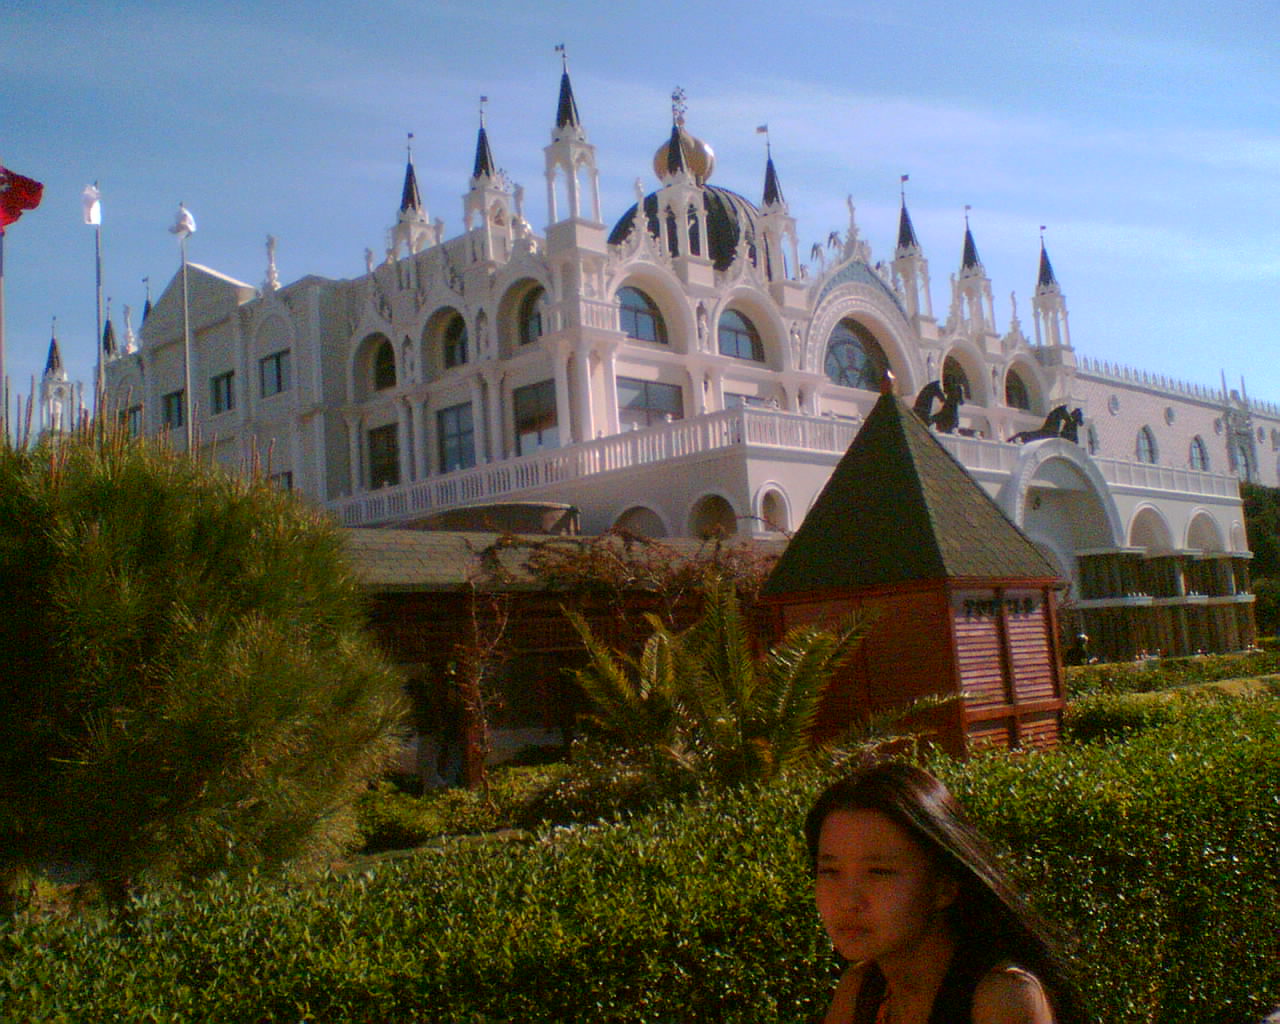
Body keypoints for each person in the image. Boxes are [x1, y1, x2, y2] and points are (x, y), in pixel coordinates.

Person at [805, 763, 1087, 1024]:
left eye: (878, 872)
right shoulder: (861, 992)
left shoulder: (1002, 997)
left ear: (944, 885)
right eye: (830, 871)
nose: (847, 901)